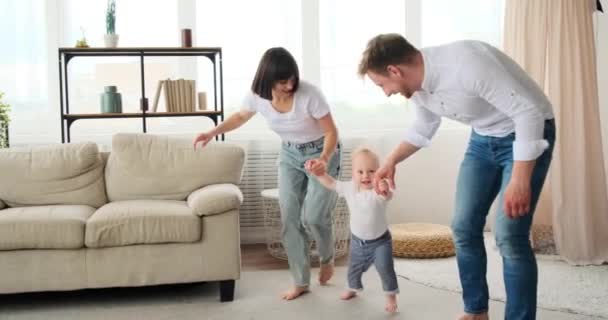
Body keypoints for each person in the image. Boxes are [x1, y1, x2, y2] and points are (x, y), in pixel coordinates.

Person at [358, 34, 555, 320]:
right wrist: (390, 161)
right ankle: (476, 312)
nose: (386, 92)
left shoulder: (466, 64)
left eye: (382, 85)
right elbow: (423, 128)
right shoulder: (417, 87)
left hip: (528, 131)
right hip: (483, 138)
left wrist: (520, 180)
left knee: (510, 236)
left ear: (394, 71)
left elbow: (528, 113)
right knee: (463, 227)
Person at [193, 47, 341, 301]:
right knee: (290, 217)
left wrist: (324, 159)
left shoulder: (309, 95)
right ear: (268, 80)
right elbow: (240, 116)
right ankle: (301, 281)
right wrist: (212, 132)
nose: (290, 84)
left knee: (314, 216)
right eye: (283, 81)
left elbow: (331, 132)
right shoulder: (257, 96)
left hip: (322, 151)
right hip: (290, 155)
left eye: (293, 78)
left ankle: (327, 259)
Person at [307, 147, 399, 313]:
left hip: (380, 241)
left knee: (386, 268)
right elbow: (331, 183)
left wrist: (385, 188)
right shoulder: (350, 188)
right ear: (353, 173)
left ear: (379, 172)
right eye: (360, 171)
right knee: (354, 268)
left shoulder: (379, 189)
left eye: (371, 171)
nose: (365, 176)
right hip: (357, 241)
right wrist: (318, 173)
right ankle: (352, 288)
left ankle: (390, 296)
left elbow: (387, 195)